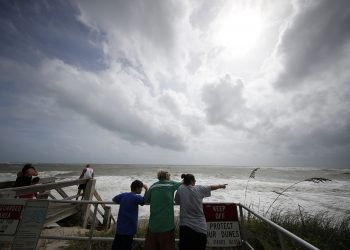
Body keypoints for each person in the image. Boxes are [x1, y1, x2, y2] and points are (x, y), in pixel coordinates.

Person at [174, 173, 227, 250]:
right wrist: (221, 185)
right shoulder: (199, 188)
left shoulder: (180, 188)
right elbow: (212, 187)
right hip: (200, 227)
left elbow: (177, 201)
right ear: (192, 181)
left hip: (185, 226)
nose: (195, 181)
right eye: (194, 180)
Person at [144, 170, 182, 250]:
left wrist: (146, 189)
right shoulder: (171, 184)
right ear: (167, 177)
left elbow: (146, 200)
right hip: (167, 225)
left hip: (153, 225)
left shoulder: (153, 186)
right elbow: (182, 183)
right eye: (169, 175)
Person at [111, 180, 148, 250]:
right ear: (137, 188)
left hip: (120, 228)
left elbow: (114, 199)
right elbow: (144, 201)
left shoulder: (123, 195)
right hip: (129, 229)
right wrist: (147, 189)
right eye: (141, 188)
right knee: (126, 247)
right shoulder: (136, 197)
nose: (141, 190)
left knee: (116, 247)